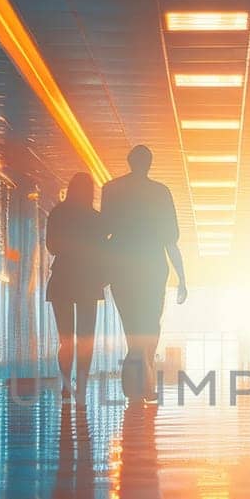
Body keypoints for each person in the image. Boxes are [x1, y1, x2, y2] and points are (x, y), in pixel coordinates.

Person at [100, 145, 187, 402]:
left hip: (122, 267)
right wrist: (181, 277)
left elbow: (104, 231)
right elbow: (171, 239)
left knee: (132, 328)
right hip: (152, 266)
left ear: (129, 162)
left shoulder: (111, 189)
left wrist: (101, 268)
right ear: (149, 164)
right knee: (150, 325)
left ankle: (138, 384)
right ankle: (144, 382)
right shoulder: (160, 192)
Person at [45, 172, 106, 400]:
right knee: (86, 338)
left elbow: (51, 246)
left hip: (62, 279)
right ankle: (81, 384)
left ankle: (65, 384)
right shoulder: (96, 218)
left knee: (66, 339)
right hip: (89, 281)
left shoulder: (57, 213)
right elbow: (103, 252)